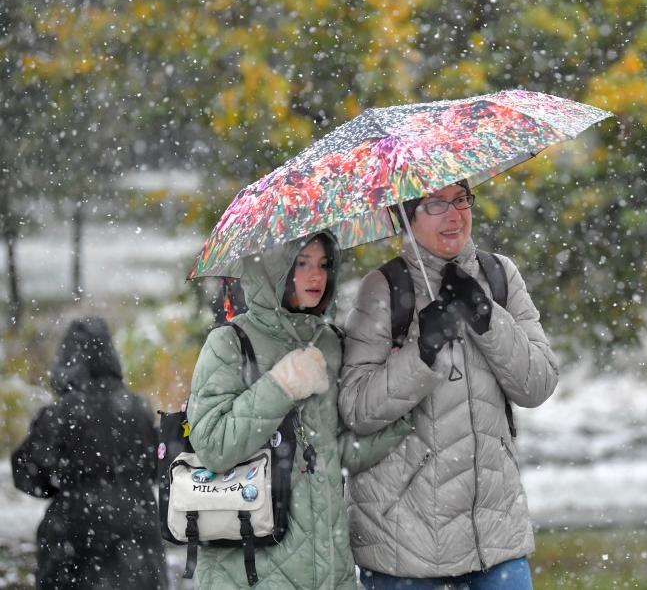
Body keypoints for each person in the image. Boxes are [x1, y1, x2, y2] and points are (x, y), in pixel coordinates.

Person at [340, 181, 559, 589]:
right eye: (436, 204)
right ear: (407, 216)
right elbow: (356, 409)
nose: (454, 215)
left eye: (460, 200)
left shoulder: (499, 275)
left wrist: (487, 318)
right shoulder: (384, 289)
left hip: (495, 536)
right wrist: (422, 353)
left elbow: (538, 385)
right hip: (404, 544)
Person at [186, 232, 411, 589]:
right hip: (248, 572)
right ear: (273, 270)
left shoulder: (331, 343)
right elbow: (213, 447)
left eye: (323, 265)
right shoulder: (229, 343)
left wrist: (403, 409)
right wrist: (281, 386)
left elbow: (338, 452)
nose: (316, 276)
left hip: (328, 569)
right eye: (301, 263)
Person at [11, 317, 166, 589]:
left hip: (77, 538)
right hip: (138, 532)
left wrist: (66, 483)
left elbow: (27, 475)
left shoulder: (60, 414)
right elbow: (159, 466)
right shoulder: (138, 409)